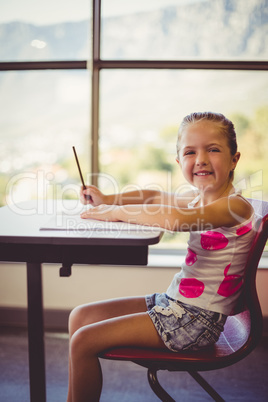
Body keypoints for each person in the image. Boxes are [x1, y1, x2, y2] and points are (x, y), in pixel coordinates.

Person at [67, 112, 257, 402]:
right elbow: (154, 197)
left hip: (197, 320)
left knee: (83, 340)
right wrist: (107, 199)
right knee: (80, 317)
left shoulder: (235, 207)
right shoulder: (200, 198)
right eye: (190, 152)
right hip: (176, 305)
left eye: (213, 149)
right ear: (180, 162)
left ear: (234, 159)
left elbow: (176, 220)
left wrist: (116, 213)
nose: (201, 159)